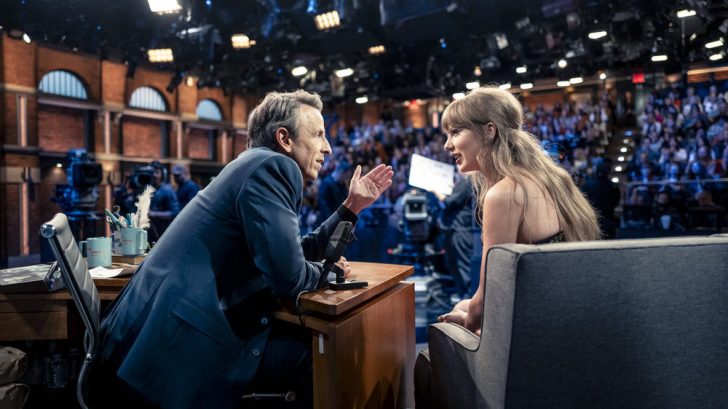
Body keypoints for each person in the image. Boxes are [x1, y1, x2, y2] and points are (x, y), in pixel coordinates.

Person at [95, 90, 394, 409]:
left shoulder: (254, 164)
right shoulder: (275, 167)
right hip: (175, 350)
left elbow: (295, 252)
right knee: (319, 355)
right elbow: (289, 279)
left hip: (147, 343)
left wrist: (352, 206)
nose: (328, 147)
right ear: (285, 138)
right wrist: (329, 272)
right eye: (318, 134)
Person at [436, 86, 600, 334]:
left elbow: (489, 294)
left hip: (541, 329)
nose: (447, 145)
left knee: (448, 326)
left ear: (489, 131)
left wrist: (467, 326)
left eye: (456, 132)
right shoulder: (544, 179)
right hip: (566, 315)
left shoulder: (504, 193)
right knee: (462, 306)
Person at [581, 159, 621, 239]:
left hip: (591, 222)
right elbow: (616, 201)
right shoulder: (613, 186)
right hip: (608, 221)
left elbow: (582, 201)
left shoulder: (587, 185)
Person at [148, 160, 180, 241]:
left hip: (161, 235)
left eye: (157, 172)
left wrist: (154, 214)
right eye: (152, 172)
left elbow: (175, 213)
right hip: (149, 234)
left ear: (163, 175)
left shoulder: (167, 190)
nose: (154, 175)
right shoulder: (147, 189)